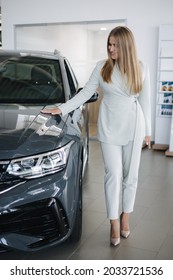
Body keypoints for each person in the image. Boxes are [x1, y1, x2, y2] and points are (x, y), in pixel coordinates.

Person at [41, 26, 151, 247]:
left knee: (131, 176)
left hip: (134, 125)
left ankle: (126, 216)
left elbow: (145, 101)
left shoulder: (141, 67)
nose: (110, 48)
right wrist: (61, 109)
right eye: (109, 44)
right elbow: (84, 93)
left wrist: (148, 132)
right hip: (109, 127)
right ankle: (113, 222)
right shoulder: (102, 68)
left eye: (115, 45)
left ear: (126, 46)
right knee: (113, 174)